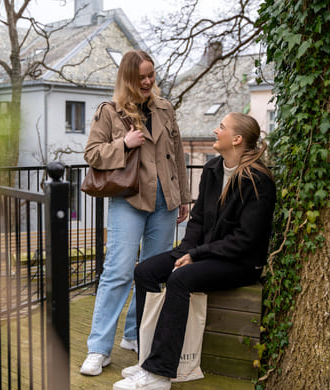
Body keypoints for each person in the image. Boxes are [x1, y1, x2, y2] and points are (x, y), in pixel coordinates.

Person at [113, 112, 276, 390]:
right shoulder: (213, 169)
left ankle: (161, 374)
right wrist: (186, 252)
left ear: (236, 139)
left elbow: (245, 240)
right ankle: (147, 360)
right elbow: (198, 220)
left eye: (221, 127)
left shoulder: (259, 181)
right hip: (205, 253)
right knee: (145, 271)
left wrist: (196, 256)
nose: (215, 130)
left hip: (240, 262)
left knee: (180, 279)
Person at [80, 50, 191, 376]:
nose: (147, 81)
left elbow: (177, 155)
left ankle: (134, 335)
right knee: (118, 271)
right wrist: (124, 144)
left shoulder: (165, 108)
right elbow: (92, 154)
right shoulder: (109, 111)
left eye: (151, 75)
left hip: (164, 203)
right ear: (128, 78)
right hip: (129, 200)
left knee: (153, 274)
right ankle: (98, 348)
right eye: (141, 76)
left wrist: (183, 196)